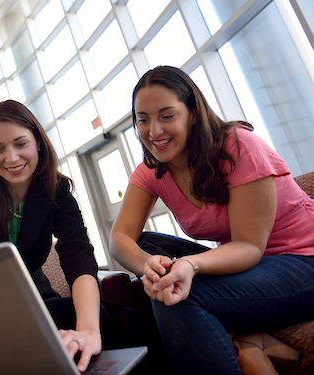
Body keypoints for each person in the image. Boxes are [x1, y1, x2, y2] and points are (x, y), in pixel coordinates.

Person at [109, 66, 314, 375]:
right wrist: (146, 267)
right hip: (247, 265)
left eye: (167, 116)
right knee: (147, 247)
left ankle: (244, 339)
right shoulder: (152, 170)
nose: (154, 131)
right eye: (143, 119)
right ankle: (246, 339)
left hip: (300, 259)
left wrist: (189, 266)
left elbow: (249, 247)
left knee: (176, 296)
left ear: (193, 113)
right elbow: (120, 237)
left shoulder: (238, 146)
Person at [0, 100, 157, 373]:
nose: (11, 158)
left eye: (21, 144)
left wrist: (88, 331)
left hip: (37, 296)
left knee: (122, 322)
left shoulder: (56, 191)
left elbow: (78, 258)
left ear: (38, 143)